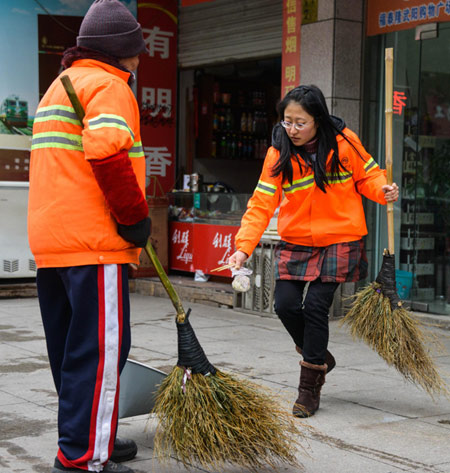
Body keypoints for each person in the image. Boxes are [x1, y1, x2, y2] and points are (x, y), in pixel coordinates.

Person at [28, 1, 151, 472]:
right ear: (120, 52)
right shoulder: (110, 85)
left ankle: (87, 436)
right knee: (99, 354)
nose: (139, 61)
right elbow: (108, 157)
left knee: (71, 353)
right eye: (136, 52)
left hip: (52, 244)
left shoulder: (58, 87)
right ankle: (83, 457)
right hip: (94, 245)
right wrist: (135, 218)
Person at [228, 85, 399, 418]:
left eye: (299, 122)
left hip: (340, 237)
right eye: (287, 121)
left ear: (317, 119)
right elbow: (262, 203)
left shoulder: (344, 141)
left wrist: (383, 190)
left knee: (317, 306)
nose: (291, 129)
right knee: (285, 305)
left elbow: (369, 177)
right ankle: (318, 355)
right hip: (297, 240)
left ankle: (308, 390)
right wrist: (243, 248)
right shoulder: (278, 152)